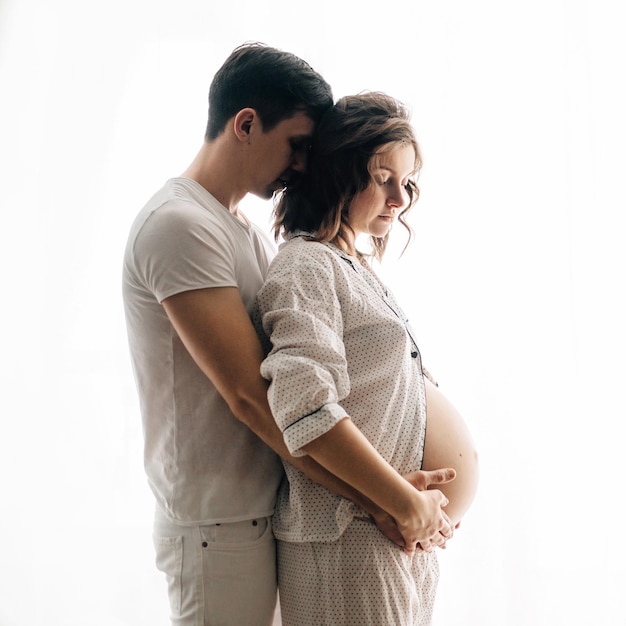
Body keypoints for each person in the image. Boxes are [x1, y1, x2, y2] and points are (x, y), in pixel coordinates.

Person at [123, 43, 455, 625]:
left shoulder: (242, 232)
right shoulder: (180, 226)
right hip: (216, 523)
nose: (305, 165)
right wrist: (384, 500)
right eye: (298, 146)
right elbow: (254, 398)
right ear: (246, 124)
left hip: (260, 511)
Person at [255, 92, 475, 625]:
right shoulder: (308, 266)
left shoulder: (351, 266)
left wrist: (412, 501)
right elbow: (306, 412)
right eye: (383, 177)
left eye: (408, 181)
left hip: (393, 536)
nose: (400, 198)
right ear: (338, 172)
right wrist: (401, 499)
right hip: (350, 537)